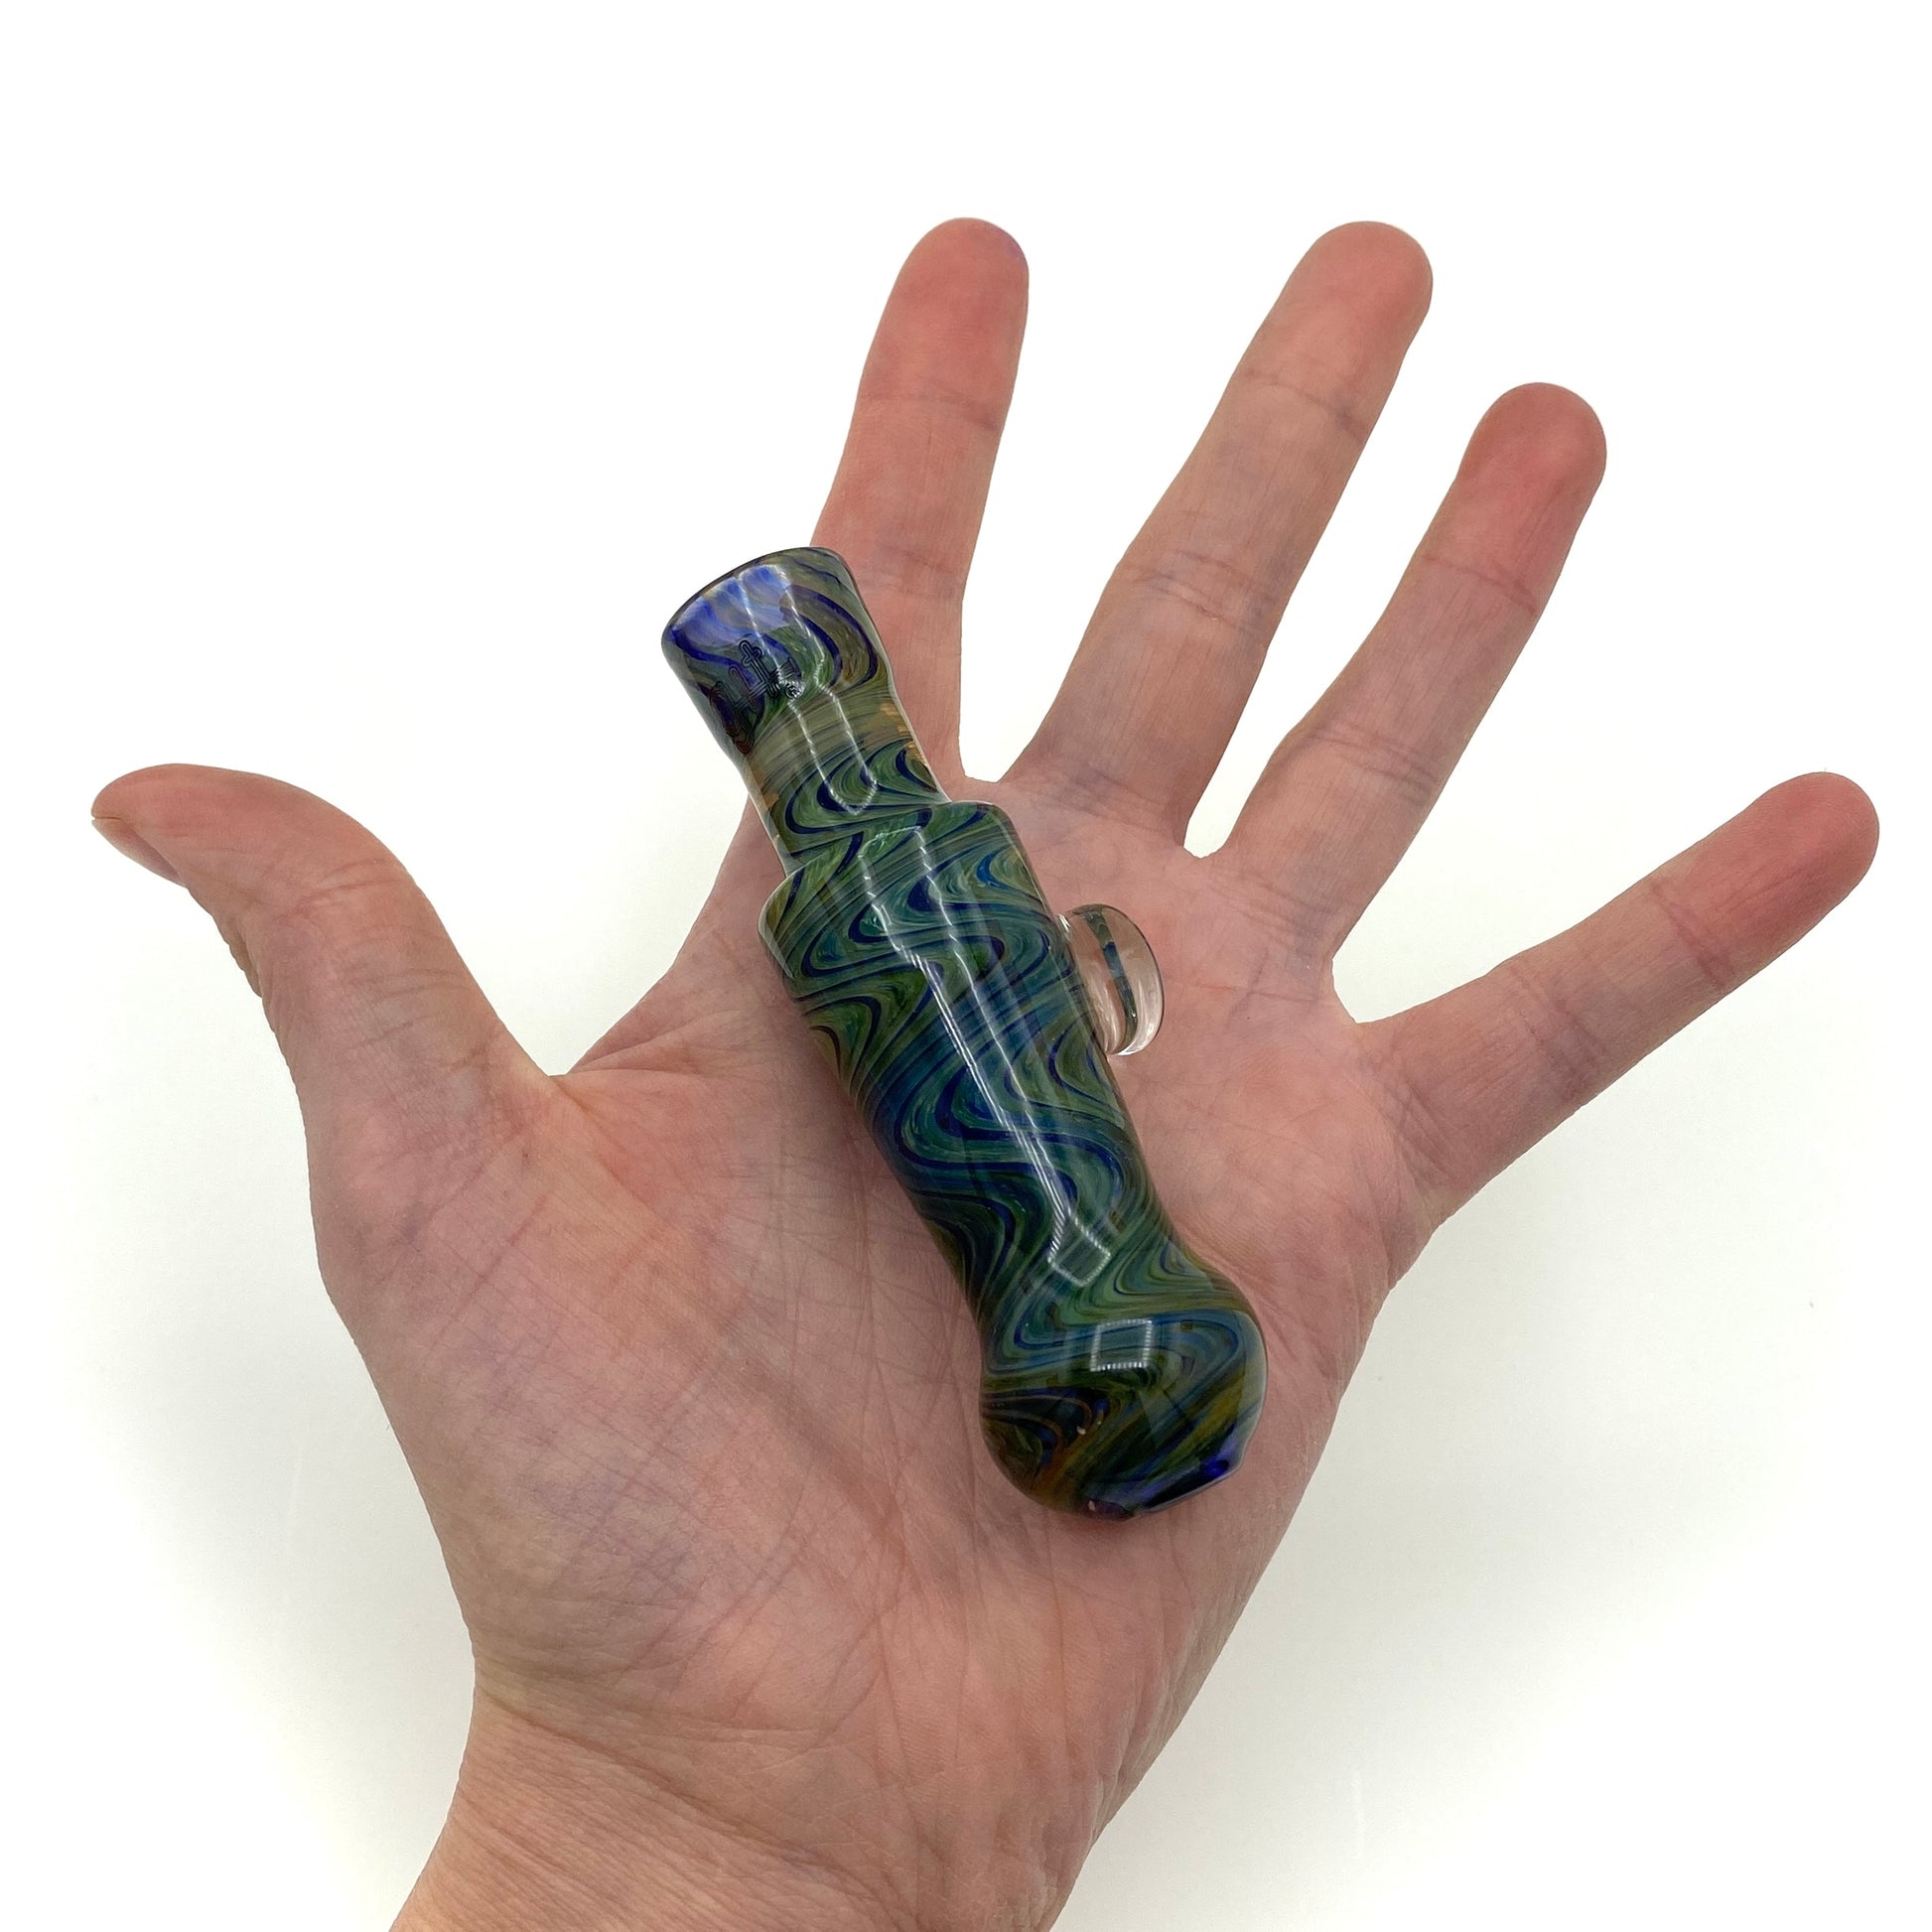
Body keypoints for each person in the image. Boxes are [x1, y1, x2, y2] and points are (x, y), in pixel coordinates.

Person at [90, 219, 1876, 1931]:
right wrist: (671, 1830)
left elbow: (1065, 1014)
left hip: (1109, 1333)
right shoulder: (854, 908)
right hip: (1096, 1344)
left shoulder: (892, 883)